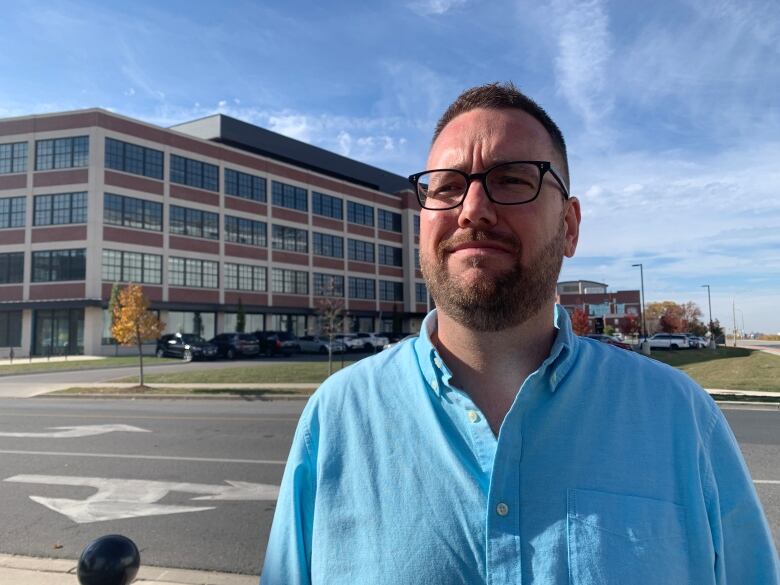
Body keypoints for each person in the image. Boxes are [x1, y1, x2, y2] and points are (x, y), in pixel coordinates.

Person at [261, 82, 779, 584]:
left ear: (570, 226)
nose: (473, 210)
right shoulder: (335, 419)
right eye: (446, 186)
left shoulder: (680, 420)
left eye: (512, 179)